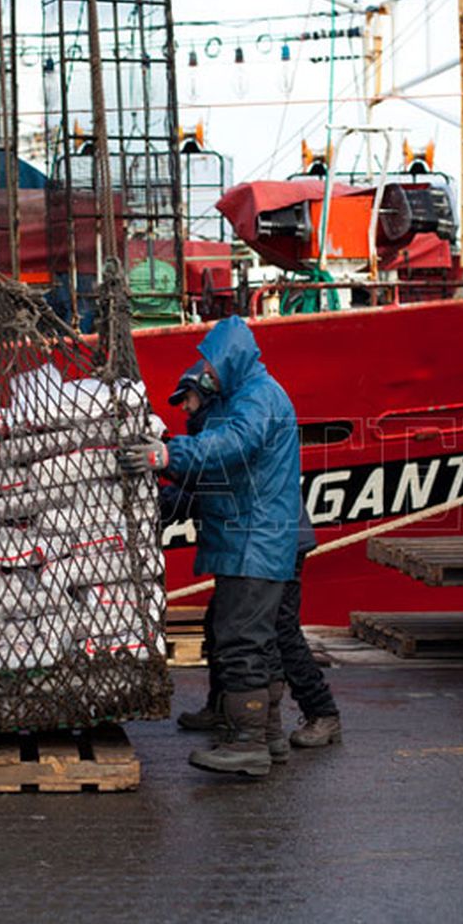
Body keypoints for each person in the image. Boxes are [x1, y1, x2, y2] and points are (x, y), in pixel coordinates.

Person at [122, 316, 300, 778]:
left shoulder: (258, 400)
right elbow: (215, 460)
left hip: (254, 542)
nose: (208, 375)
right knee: (256, 641)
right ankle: (269, 736)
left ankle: (248, 743)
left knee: (241, 640)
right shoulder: (243, 397)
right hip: (250, 539)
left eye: (214, 368)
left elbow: (230, 446)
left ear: (235, 362)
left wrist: (167, 455)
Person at [163, 363, 341, 759]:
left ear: (206, 394)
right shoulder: (213, 430)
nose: (185, 409)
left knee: (279, 632)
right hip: (266, 541)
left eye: (188, 399)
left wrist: (165, 496)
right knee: (220, 623)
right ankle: (223, 708)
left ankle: (322, 713)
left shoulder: (228, 433)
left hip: (279, 544)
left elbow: (209, 487)